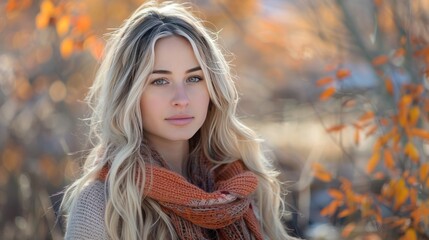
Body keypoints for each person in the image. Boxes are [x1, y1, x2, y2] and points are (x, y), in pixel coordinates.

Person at [61, 1, 297, 239]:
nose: (181, 99)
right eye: (160, 81)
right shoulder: (102, 204)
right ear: (129, 94)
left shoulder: (241, 187)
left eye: (194, 78)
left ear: (213, 87)